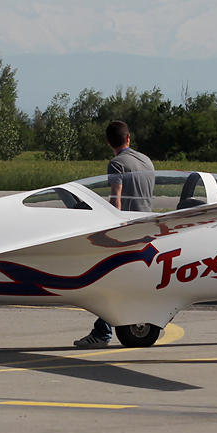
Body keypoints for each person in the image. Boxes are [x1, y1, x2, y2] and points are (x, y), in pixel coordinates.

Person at [74, 120, 155, 348]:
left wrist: (111, 229)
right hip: (147, 227)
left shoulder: (117, 164)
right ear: (128, 138)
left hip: (128, 230)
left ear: (109, 141)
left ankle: (102, 333)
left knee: (111, 282)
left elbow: (116, 199)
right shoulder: (146, 161)